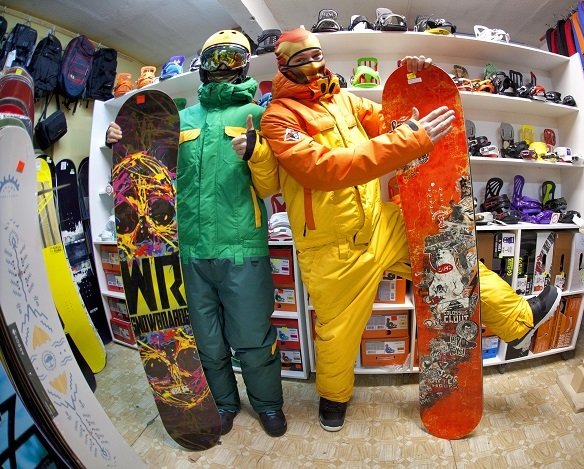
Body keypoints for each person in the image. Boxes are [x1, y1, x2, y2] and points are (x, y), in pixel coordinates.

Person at [238, 27, 560, 432]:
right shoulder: (278, 117)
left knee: (452, 257)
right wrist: (408, 140)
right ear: (283, 64)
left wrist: (414, 82)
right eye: (301, 59)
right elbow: (322, 169)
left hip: (379, 222)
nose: (314, 64)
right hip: (332, 248)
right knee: (337, 332)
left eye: (317, 55)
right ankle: (333, 399)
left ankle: (519, 322)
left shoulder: (344, 99)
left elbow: (394, 119)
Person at [106, 30, 286, 438]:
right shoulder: (180, 119)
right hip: (189, 251)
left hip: (242, 248)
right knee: (206, 341)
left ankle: (268, 404)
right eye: (214, 58)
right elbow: (147, 170)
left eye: (231, 57)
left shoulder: (258, 115)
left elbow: (272, 186)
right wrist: (120, 139)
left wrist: (256, 152)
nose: (222, 67)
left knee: (254, 339)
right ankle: (223, 403)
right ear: (202, 65)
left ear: (244, 63)